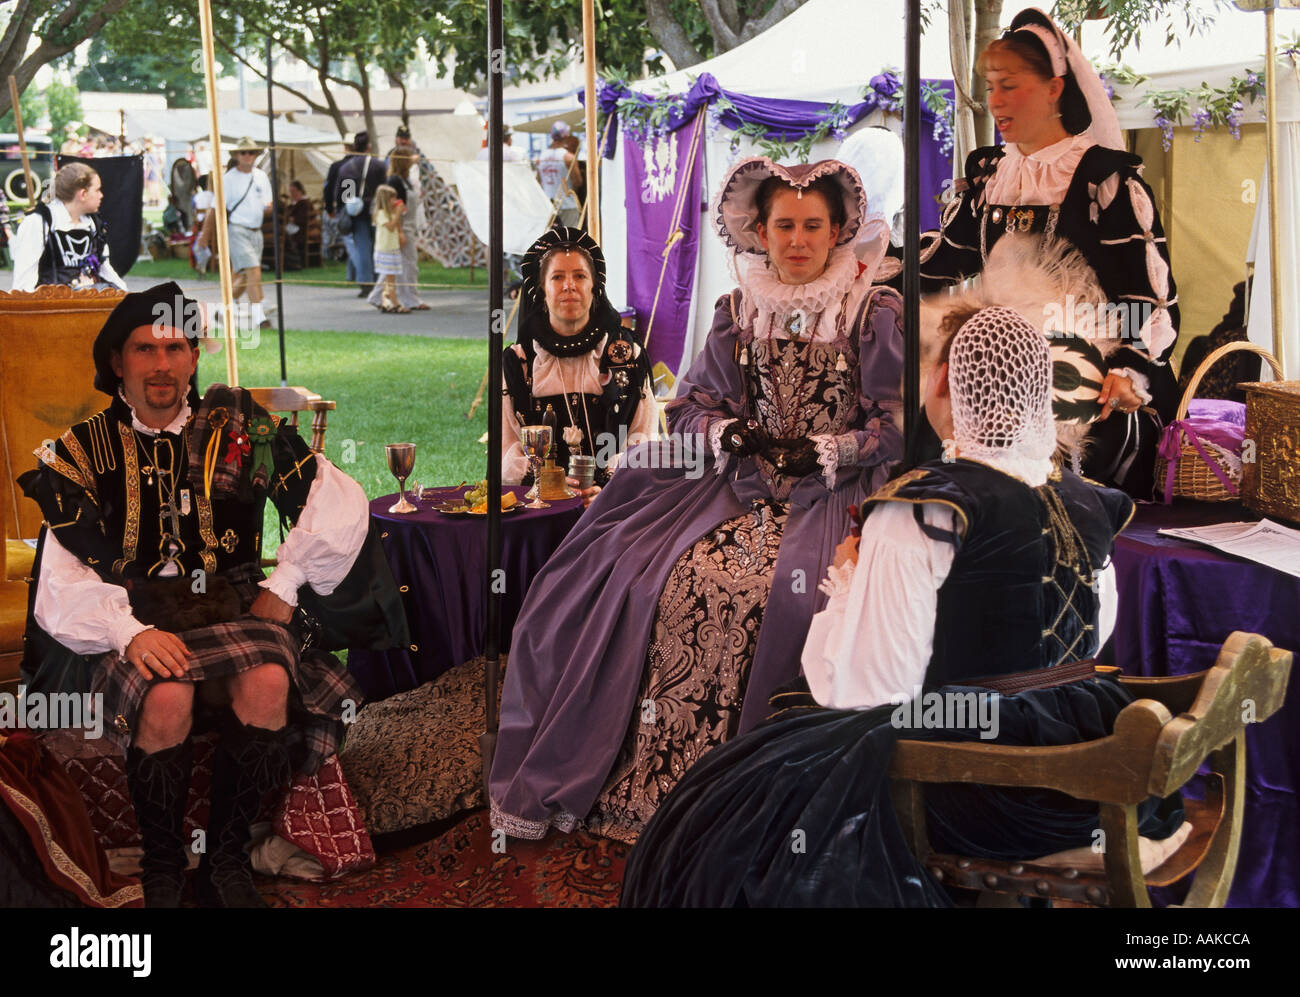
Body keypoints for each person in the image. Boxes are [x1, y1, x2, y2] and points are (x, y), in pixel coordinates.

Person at [620, 305, 1190, 907]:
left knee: (726, 807)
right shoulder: (1088, 498)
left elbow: (868, 689)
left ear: (945, 381)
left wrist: (848, 575)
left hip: (983, 782)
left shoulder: (925, 506)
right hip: (1093, 765)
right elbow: (1088, 639)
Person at [489, 157, 904, 844]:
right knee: (632, 567)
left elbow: (897, 424)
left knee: (786, 595)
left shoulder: (872, 310)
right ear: (759, 232)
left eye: (812, 226)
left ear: (838, 231)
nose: (797, 240)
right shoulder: (738, 311)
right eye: (783, 226)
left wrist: (832, 449)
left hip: (836, 494)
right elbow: (692, 407)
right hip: (737, 483)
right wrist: (729, 429)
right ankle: (650, 783)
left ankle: (751, 802)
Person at [18, 282, 383, 908]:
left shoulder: (240, 425)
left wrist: (287, 581)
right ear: (117, 362)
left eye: (176, 347)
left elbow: (332, 497)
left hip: (231, 605)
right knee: (165, 694)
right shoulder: (83, 450)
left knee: (268, 682)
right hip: (131, 611)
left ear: (193, 356)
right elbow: (61, 575)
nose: (162, 364)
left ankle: (227, 858)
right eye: (144, 349)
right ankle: (164, 865)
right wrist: (128, 633)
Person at [914, 7, 1178, 499]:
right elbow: (944, 260)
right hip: (1002, 385)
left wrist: (1127, 372)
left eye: (1010, 86)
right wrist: (866, 263)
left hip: (1090, 394)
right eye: (990, 87)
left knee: (1059, 481)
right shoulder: (994, 176)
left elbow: (1152, 301)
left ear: (1055, 88)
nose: (995, 101)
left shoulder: (1107, 182)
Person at [500, 226, 655, 499]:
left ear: (594, 287)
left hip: (614, 504)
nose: (569, 285)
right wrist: (552, 491)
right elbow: (507, 448)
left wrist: (605, 490)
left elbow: (643, 441)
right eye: (557, 277)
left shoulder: (627, 355)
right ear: (542, 290)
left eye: (580, 276)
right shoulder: (520, 361)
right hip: (538, 506)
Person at [10, 162, 127, 292]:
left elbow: (105, 269)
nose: (101, 195)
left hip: (88, 304)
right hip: (50, 306)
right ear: (83, 194)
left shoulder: (93, 225)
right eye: (97, 190)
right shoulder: (39, 223)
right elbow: (23, 285)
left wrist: (125, 295)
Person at [366, 149, 429, 312]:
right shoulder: (395, 181)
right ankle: (410, 298)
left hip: (409, 225)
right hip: (402, 226)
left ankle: (376, 296)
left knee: (393, 266)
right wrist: (400, 232)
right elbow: (395, 208)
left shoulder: (405, 180)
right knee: (408, 264)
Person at [223, 138, 274, 330]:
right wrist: (205, 236)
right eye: (243, 152)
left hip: (256, 231)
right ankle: (259, 317)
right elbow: (217, 209)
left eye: (251, 153)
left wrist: (267, 208)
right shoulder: (228, 179)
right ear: (236, 156)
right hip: (238, 229)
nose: (247, 156)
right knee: (254, 271)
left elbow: (267, 204)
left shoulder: (261, 176)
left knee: (246, 276)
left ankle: (224, 307)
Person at [336, 130, 388, 297]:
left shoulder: (346, 168)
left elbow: (345, 196)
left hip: (357, 213)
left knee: (363, 248)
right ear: (368, 146)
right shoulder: (379, 166)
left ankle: (366, 283)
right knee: (378, 246)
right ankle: (379, 280)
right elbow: (384, 190)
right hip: (376, 209)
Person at [537, 122, 580, 227]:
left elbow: (538, 181)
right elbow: (578, 182)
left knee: (551, 238)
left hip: (548, 204)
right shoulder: (568, 157)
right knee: (571, 238)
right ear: (566, 137)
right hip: (568, 204)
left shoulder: (541, 156)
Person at [371, 184, 406, 313]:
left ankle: (385, 301)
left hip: (392, 248)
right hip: (385, 251)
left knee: (390, 279)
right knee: (390, 279)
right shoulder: (381, 214)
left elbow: (396, 226)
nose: (394, 201)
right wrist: (397, 213)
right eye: (392, 198)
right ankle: (395, 304)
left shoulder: (391, 213)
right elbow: (391, 226)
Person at [283, 179, 311, 272]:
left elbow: (303, 219)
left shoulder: (304, 203)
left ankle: (293, 261)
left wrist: (292, 219)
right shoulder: (292, 205)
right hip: (292, 228)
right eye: (291, 192)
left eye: (293, 191)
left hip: (300, 230)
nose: (292, 194)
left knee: (285, 235)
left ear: (299, 191)